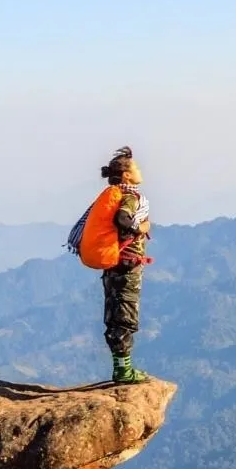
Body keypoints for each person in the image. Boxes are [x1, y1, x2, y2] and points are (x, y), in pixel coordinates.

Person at [98, 146, 152, 383]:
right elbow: (122, 219)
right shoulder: (129, 197)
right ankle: (123, 371)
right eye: (136, 167)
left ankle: (121, 368)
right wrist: (140, 228)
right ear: (127, 175)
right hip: (127, 266)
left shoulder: (116, 194)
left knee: (115, 314)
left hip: (113, 264)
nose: (140, 171)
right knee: (125, 315)